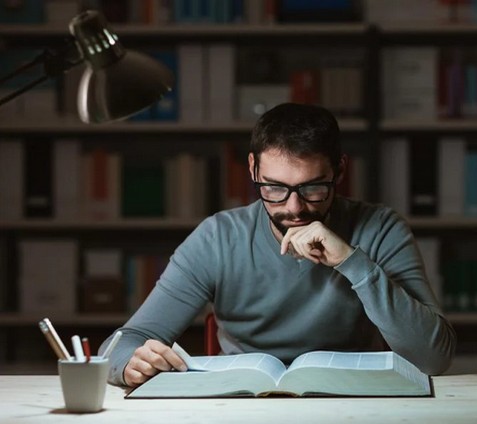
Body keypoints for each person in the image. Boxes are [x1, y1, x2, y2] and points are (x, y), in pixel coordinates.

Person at [100, 103, 456, 387]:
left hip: (353, 405)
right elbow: (123, 342)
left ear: (340, 171)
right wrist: (130, 363)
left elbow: (433, 358)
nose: (294, 207)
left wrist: (352, 261)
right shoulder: (218, 238)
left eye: (314, 188)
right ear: (253, 169)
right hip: (244, 407)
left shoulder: (380, 228)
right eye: (274, 188)